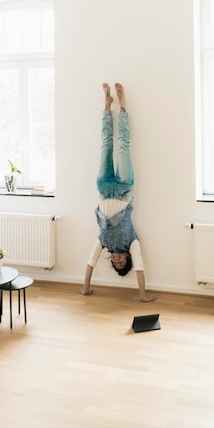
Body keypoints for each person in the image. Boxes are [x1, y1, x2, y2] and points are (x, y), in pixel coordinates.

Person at [79, 83, 156, 302]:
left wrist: (86, 289)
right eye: (121, 262)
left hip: (103, 190)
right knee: (122, 144)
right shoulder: (133, 242)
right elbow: (140, 268)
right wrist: (142, 296)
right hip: (123, 189)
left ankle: (106, 105)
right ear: (127, 258)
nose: (116, 260)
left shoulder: (103, 241)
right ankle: (122, 108)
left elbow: (90, 262)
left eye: (115, 263)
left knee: (105, 144)